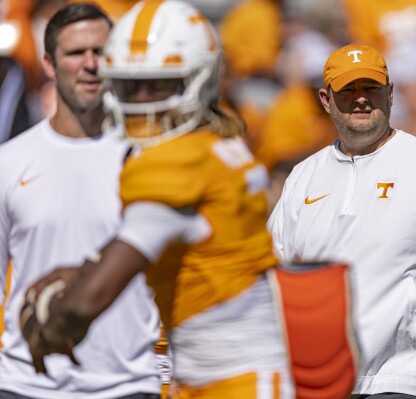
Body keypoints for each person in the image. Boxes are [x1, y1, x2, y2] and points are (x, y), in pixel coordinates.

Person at [18, 2, 358, 398]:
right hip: (218, 375)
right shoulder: (217, 142)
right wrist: (81, 273)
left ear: (197, 79)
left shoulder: (174, 163)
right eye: (131, 85)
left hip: (239, 381)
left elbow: (88, 301)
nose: (144, 101)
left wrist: (52, 326)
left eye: (160, 84)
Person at [268, 43, 416, 399]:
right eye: (348, 91)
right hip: (313, 385)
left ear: (390, 94)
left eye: (371, 88)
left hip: (402, 383)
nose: (361, 99)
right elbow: (270, 283)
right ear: (326, 100)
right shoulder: (302, 177)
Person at [0, 3, 163, 399]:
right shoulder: (9, 162)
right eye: (75, 53)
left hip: (128, 383)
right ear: (50, 64)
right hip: (24, 384)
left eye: (101, 53)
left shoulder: (153, 158)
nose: (90, 64)